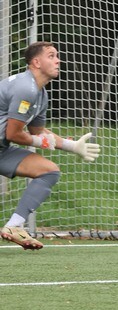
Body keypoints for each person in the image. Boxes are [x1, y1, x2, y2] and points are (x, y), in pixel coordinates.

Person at [0, 41, 101, 250]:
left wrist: (72, 146)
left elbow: (38, 132)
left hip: (2, 150)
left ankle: (14, 226)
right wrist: (39, 142)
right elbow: (14, 134)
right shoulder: (25, 88)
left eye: (57, 56)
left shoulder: (40, 94)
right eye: (51, 56)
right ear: (36, 62)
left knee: (49, 171)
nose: (58, 60)